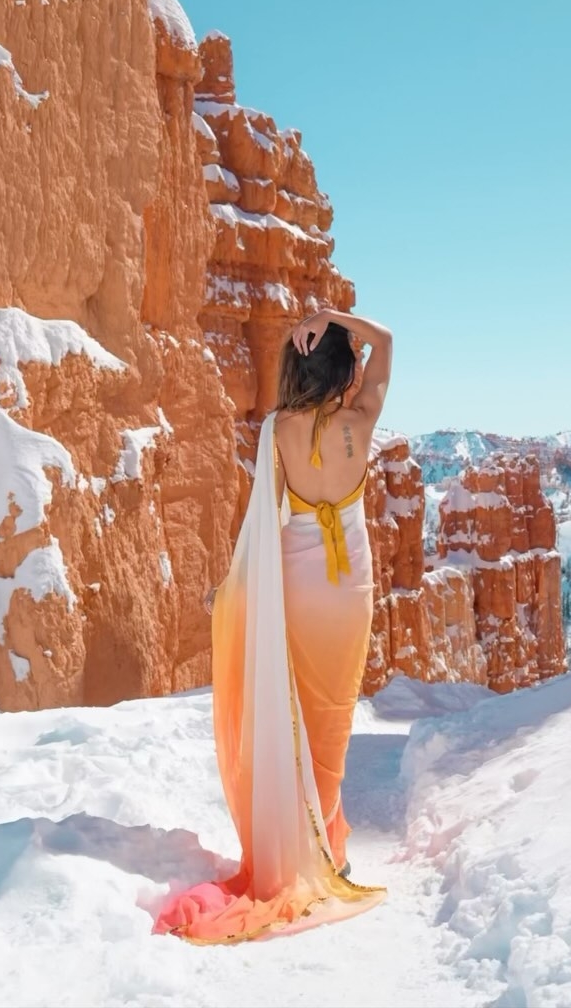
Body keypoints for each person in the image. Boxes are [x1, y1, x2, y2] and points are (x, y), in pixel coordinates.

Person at [153, 307, 392, 945]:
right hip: (350, 583)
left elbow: (263, 516)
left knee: (297, 709)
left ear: (298, 365)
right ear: (344, 367)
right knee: (333, 711)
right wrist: (332, 318)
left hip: (294, 575)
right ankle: (327, 845)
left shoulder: (278, 428)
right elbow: (387, 342)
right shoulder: (361, 421)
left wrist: (237, 588)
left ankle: (310, 843)